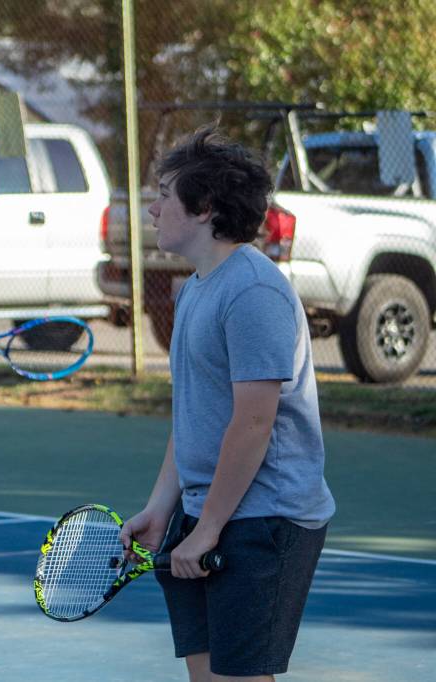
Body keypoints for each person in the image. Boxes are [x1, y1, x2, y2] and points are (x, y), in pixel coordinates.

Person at [119, 127, 335, 681]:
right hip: (204, 512)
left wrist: (209, 527)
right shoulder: (196, 288)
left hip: (265, 518)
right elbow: (193, 415)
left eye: (164, 195)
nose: (152, 210)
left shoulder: (253, 292)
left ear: (204, 208)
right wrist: (161, 507)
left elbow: (254, 422)